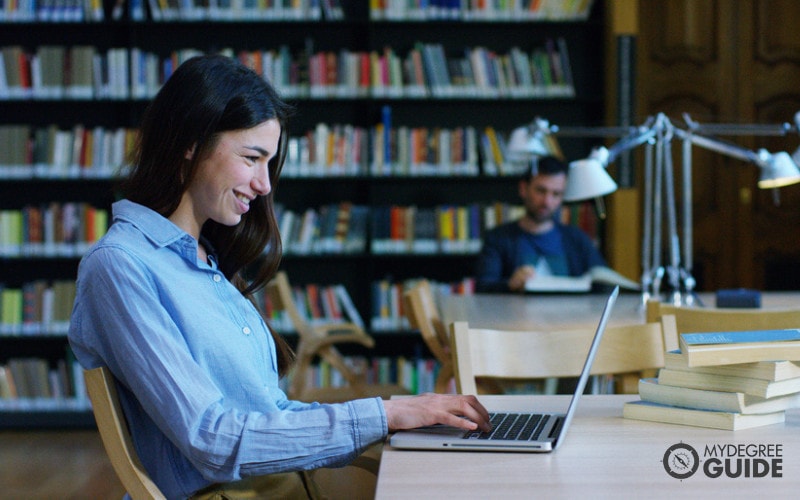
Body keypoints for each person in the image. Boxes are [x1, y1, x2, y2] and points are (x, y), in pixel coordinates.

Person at [68, 54, 490, 499]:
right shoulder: (120, 265)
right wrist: (384, 415)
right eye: (252, 158)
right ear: (190, 143)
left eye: (269, 163)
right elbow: (214, 440)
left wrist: (406, 415)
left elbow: (267, 413)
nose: (265, 184)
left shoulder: (202, 259)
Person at [475, 155, 607, 293]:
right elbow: (483, 289)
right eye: (541, 191)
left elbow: (603, 280)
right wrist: (510, 284)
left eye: (556, 194)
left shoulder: (577, 239)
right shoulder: (498, 239)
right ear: (523, 189)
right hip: (516, 314)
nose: (547, 201)